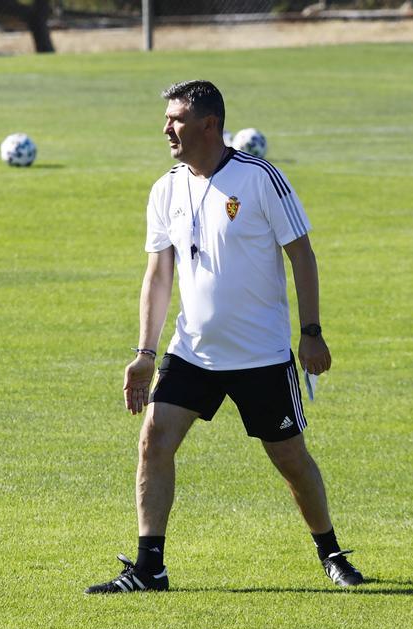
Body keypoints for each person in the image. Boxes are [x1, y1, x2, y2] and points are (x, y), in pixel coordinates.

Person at [84, 80, 363, 594]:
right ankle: (150, 569)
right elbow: (159, 274)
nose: (166, 128)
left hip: (261, 355)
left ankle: (331, 553)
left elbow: (302, 254)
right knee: (154, 441)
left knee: (290, 459)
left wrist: (312, 333)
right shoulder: (165, 187)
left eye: (176, 119)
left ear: (208, 124)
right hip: (192, 351)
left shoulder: (260, 179)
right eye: (167, 118)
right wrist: (146, 352)